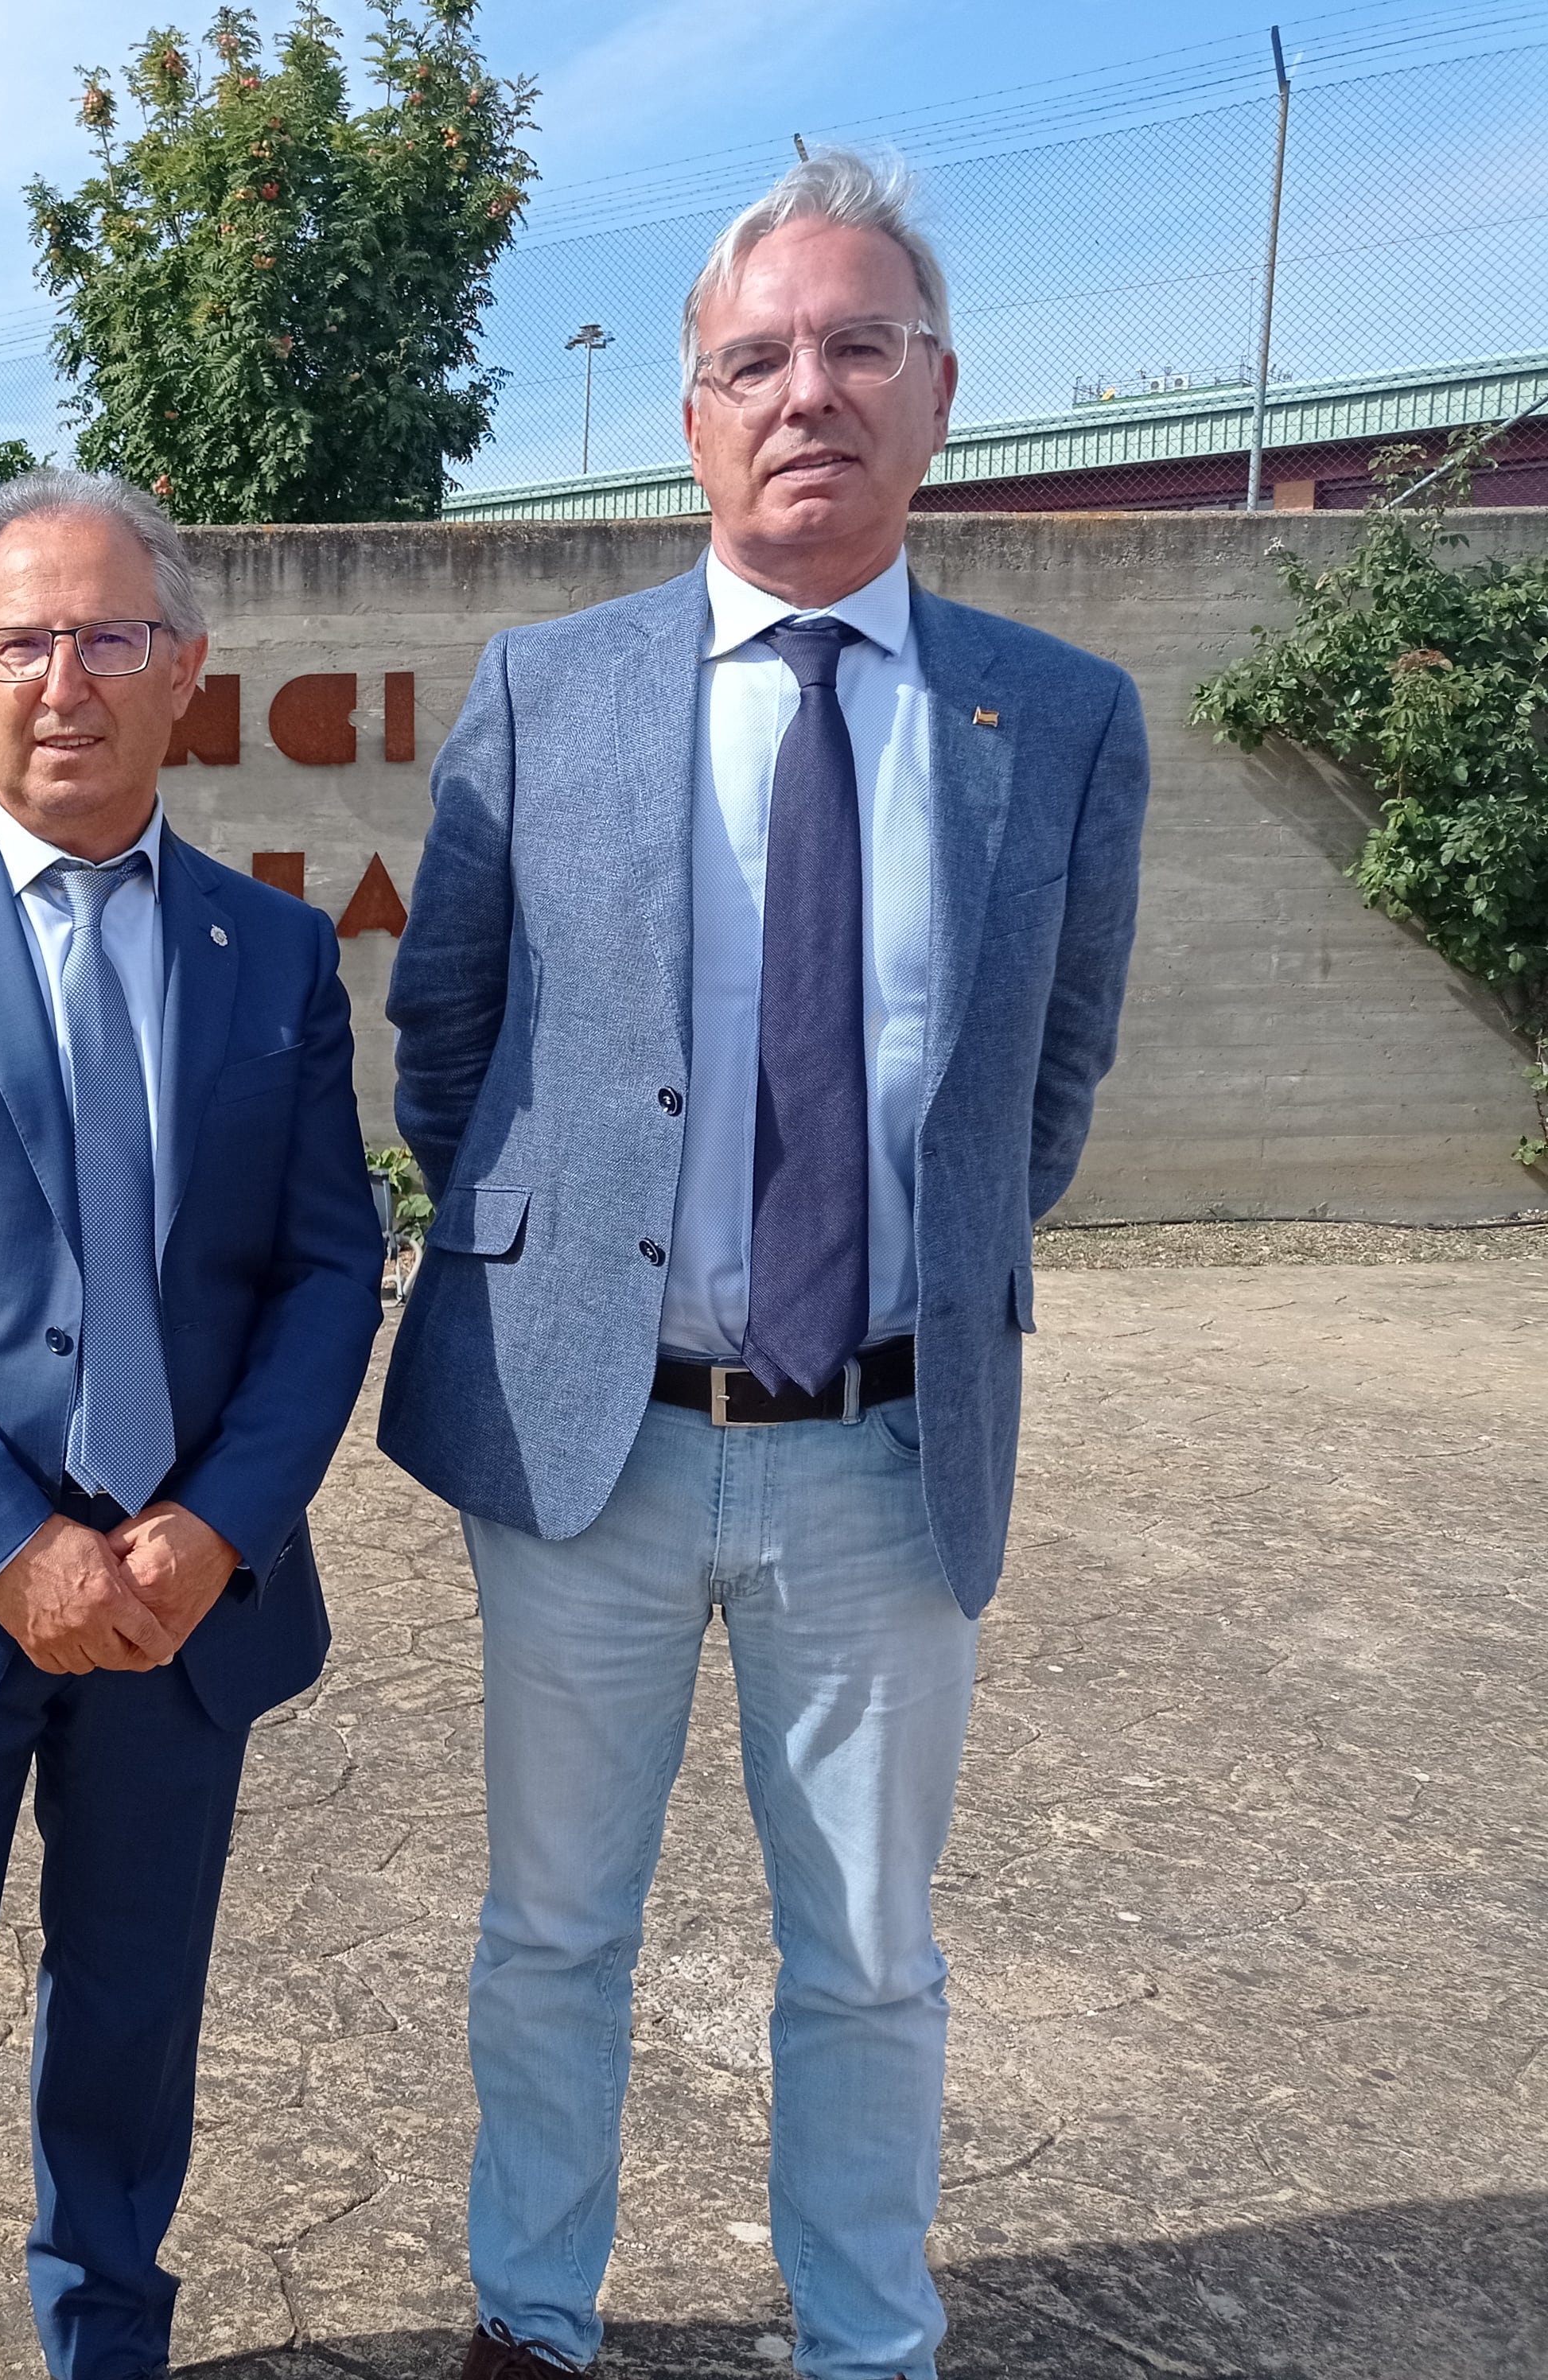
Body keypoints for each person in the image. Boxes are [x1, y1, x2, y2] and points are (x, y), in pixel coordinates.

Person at [378, 153, 1150, 2380]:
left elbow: (1052, 1080)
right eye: (753, 359)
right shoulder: (547, 691)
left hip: (887, 1446)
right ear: (691, 420)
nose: (803, 390)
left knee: (870, 1956)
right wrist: (569, 1279)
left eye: (854, 346)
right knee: (550, 1929)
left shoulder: (1062, 718)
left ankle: (865, 2342)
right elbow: (453, 1040)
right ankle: (533, 2314)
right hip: (597, 1443)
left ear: (935, 396)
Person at [0, 469, 385, 2380]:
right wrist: (12, 1548)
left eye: (108, 636)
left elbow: (328, 1270)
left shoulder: (270, 957)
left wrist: (219, 1522)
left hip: (180, 1607)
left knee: (127, 2032)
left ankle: (108, 2347)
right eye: (21, 640)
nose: (63, 679)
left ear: (185, 670)